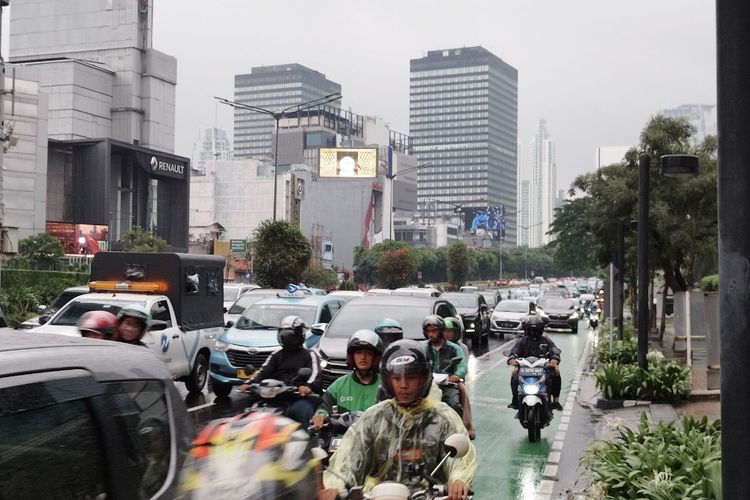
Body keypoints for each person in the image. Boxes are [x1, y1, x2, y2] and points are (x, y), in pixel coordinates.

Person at [319, 340, 477, 500]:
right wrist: (336, 487)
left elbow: (460, 460)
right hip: (377, 495)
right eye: (396, 378)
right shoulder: (374, 417)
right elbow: (349, 458)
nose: (403, 385)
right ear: (388, 380)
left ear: (423, 379)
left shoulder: (443, 417)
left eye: (411, 377)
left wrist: (458, 481)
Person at [249, 315, 322, 425]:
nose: (286, 338)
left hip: (299, 398)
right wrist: (250, 383)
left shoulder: (309, 354)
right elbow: (263, 371)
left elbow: (315, 374)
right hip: (275, 397)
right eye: (283, 335)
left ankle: (305, 439)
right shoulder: (276, 355)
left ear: (299, 336)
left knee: (299, 412)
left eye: (290, 336)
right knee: (254, 413)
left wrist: (307, 386)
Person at [311, 329, 382, 429]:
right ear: (352, 356)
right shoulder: (338, 386)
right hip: (343, 440)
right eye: (358, 352)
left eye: (368, 353)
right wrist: (320, 415)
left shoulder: (385, 386)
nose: (363, 357)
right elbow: (323, 407)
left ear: (375, 358)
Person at [506, 315, 563, 412]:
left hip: (543, 368)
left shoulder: (546, 340)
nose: (534, 332)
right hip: (525, 368)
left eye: (536, 330)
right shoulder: (522, 341)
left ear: (541, 329)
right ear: (527, 329)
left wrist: (554, 359)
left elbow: (554, 351)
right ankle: (515, 400)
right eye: (531, 330)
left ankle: (556, 400)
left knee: (556, 371)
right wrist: (512, 358)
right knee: (514, 373)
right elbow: (514, 352)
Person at [422, 315, 467, 417]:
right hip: (427, 385)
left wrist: (456, 376)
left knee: (454, 404)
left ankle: (458, 428)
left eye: (434, 331)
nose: (431, 334)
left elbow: (462, 366)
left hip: (448, 385)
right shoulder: (423, 348)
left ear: (441, 331)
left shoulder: (455, 348)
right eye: (428, 331)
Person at [442, 317, 476, 440]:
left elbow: (463, 366)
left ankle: (467, 425)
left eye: (450, 331)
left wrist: (456, 376)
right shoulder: (431, 346)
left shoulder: (461, 348)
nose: (447, 334)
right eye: (445, 331)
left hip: (454, 380)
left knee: (462, 393)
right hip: (435, 380)